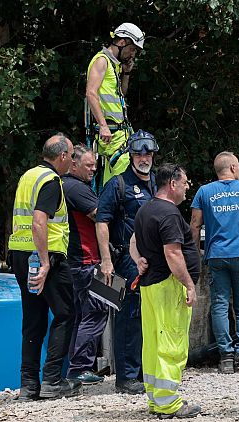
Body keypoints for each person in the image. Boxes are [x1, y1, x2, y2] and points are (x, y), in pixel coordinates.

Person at [8, 133, 79, 400]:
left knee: (33, 318)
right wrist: (46, 262)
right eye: (71, 156)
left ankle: (28, 385)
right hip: (44, 256)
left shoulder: (28, 176)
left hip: (20, 253)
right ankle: (52, 381)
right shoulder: (51, 181)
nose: (72, 161)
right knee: (64, 314)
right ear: (61, 156)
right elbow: (39, 222)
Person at [130, 163, 202, 419]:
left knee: (153, 342)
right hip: (167, 287)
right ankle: (169, 403)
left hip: (150, 286)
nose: (186, 188)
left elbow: (133, 242)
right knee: (171, 343)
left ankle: (157, 399)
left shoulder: (145, 209)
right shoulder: (169, 214)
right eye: (184, 183)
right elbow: (173, 253)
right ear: (172, 184)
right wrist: (189, 284)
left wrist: (137, 258)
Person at [190, 151, 239, 374]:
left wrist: (195, 255)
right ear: (233, 168)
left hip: (216, 255)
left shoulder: (204, 192)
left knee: (220, 306)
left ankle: (225, 357)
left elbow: (194, 226)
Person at [95, 130, 157, 394]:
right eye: (138, 153)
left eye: (148, 153)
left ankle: (145, 371)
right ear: (130, 155)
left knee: (150, 316)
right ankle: (127, 377)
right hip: (126, 261)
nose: (143, 158)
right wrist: (106, 261)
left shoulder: (157, 183)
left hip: (153, 259)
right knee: (129, 317)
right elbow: (102, 222)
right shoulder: (118, 184)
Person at [63, 144, 107, 385]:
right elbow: (101, 215)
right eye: (88, 165)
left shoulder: (66, 185)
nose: (93, 169)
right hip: (86, 260)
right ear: (73, 164)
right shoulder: (76, 188)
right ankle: (80, 367)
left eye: (94, 164)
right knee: (96, 312)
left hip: (76, 261)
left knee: (82, 315)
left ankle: (78, 367)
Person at [85, 23, 145, 190]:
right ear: (122, 42)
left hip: (121, 133)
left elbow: (121, 95)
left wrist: (126, 73)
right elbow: (91, 93)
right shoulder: (101, 61)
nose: (133, 54)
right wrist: (103, 126)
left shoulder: (115, 65)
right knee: (125, 181)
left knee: (120, 180)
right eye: (132, 49)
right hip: (110, 133)